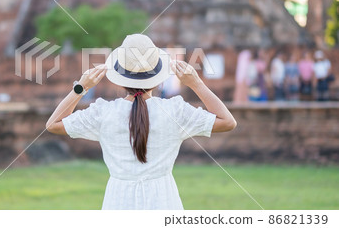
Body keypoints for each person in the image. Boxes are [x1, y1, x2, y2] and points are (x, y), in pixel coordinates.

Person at [46, 34, 237, 210]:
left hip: (117, 202)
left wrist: (81, 87)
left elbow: (53, 124)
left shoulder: (103, 113)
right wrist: (196, 83)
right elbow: (227, 121)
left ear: (121, 80)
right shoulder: (175, 111)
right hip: (163, 201)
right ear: (158, 80)